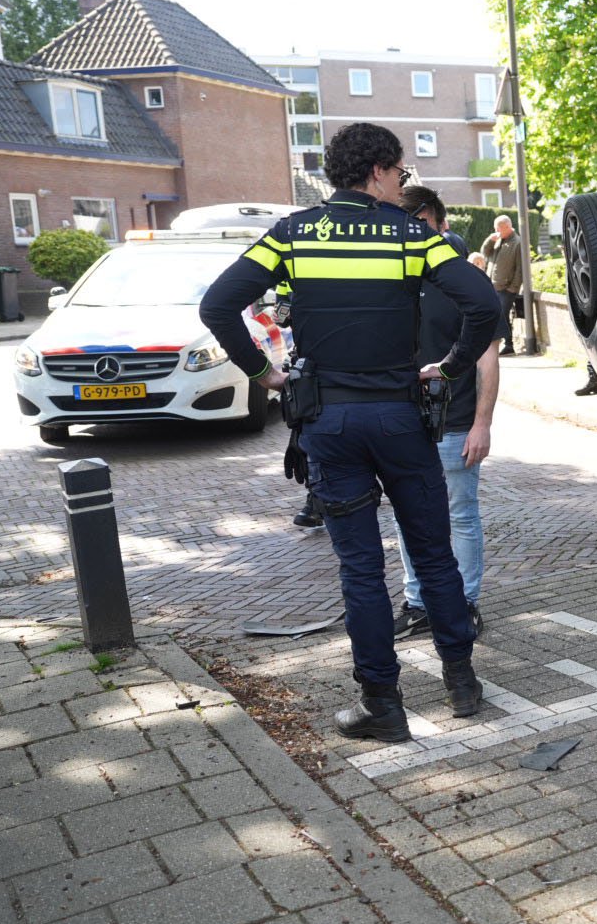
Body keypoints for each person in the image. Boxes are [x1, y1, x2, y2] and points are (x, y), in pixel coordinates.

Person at [199, 123, 501, 742]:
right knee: (433, 553)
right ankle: (462, 683)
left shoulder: (291, 234)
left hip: (328, 423)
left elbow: (217, 305)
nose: (402, 184)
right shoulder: (412, 235)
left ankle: (382, 707)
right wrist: (449, 366)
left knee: (361, 570)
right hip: (400, 417)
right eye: (400, 174)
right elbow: (485, 307)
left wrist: (265, 374)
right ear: (378, 172)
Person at [391, 186, 500, 641]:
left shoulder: (465, 283)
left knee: (459, 515)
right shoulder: (388, 280)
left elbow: (488, 357)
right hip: (399, 424)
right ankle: (417, 603)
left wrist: (482, 424)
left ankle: (464, 602)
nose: (412, 234)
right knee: (406, 516)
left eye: (420, 223)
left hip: (454, 424)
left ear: (442, 224)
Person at [480, 214, 524, 355]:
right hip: (493, 287)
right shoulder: (498, 240)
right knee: (498, 316)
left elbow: (520, 268)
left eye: (497, 227)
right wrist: (489, 241)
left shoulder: (517, 243)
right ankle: (507, 345)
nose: (495, 230)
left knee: (502, 316)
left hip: (507, 289)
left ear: (507, 226)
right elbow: (484, 254)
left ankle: (509, 345)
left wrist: (513, 288)